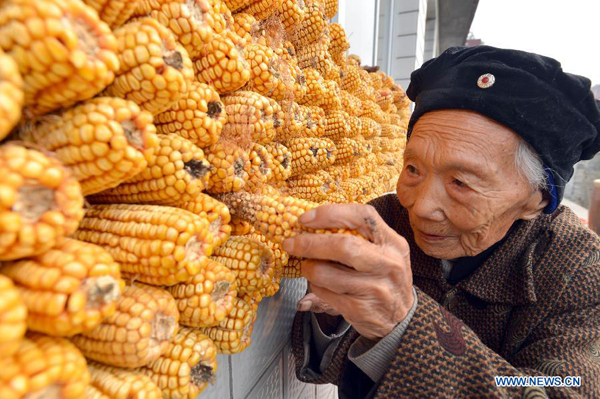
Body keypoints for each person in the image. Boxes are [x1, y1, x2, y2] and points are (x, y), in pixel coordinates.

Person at [286, 46, 600, 398]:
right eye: (413, 169)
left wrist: (403, 328)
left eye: (461, 183)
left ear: (536, 199)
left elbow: (561, 388)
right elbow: (333, 366)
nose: (420, 207)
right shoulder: (385, 221)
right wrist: (336, 316)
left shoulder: (580, 269)